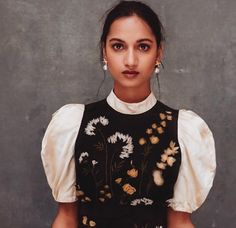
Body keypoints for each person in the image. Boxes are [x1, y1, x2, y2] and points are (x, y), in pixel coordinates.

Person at [41, 1, 216, 227]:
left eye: (143, 47)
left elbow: (180, 222)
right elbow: (66, 218)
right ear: (104, 50)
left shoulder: (182, 130)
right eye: (118, 46)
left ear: (158, 52)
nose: (130, 60)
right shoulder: (74, 125)